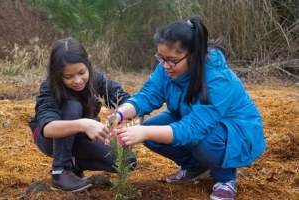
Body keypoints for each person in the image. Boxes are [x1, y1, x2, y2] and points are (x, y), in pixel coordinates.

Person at [109, 16, 266, 200]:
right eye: (161, 58)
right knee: (154, 133)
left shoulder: (217, 79)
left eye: (171, 60)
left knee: (199, 140)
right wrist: (121, 112)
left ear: (193, 54)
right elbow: (149, 94)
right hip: (192, 119)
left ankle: (226, 178)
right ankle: (195, 167)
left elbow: (195, 129)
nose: (165, 65)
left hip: (235, 132)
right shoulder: (167, 67)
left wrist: (145, 131)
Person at [28, 37, 136, 192]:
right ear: (57, 73)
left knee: (127, 161)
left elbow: (125, 99)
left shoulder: (96, 78)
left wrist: (120, 114)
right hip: (51, 140)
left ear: (88, 62)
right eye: (68, 76)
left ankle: (73, 165)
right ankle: (60, 171)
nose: (78, 80)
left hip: (82, 136)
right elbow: (47, 129)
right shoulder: (49, 87)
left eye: (81, 72)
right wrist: (84, 124)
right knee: (73, 106)